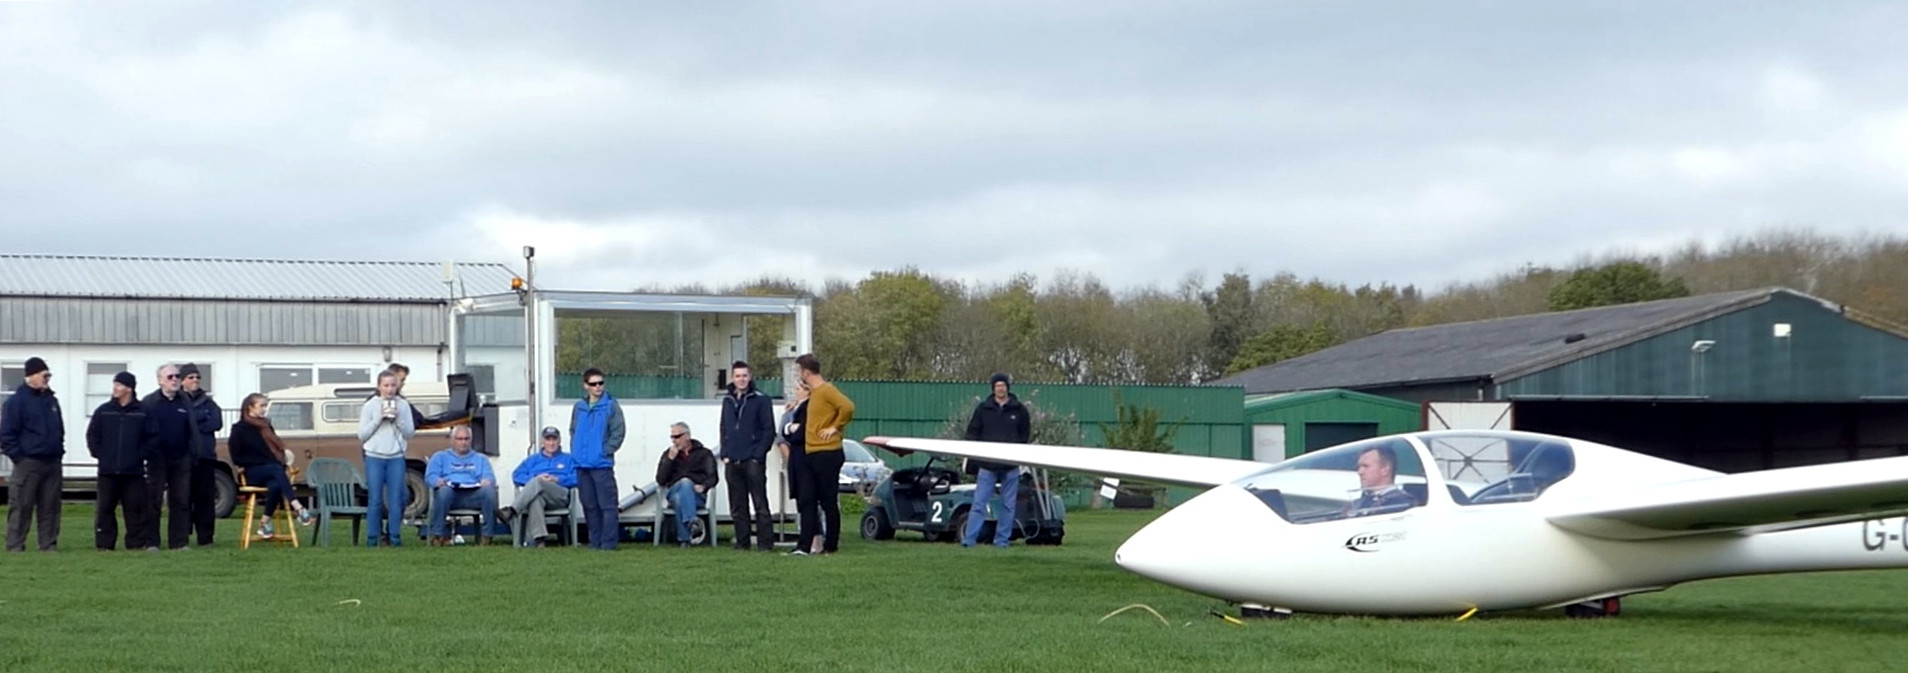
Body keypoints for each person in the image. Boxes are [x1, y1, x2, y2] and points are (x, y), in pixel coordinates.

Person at [229, 393, 315, 539]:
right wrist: (254, 461)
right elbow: (236, 455)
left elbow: (275, 449)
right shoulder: (239, 429)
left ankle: (264, 523)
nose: (264, 409)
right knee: (276, 469)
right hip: (253, 471)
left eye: (265, 406)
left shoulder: (266, 426)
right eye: (261, 406)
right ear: (250, 407)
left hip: (272, 469)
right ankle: (299, 508)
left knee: (276, 486)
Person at [87, 371, 156, 551]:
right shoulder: (103, 411)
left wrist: (139, 456)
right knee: (105, 510)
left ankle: (136, 543)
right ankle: (104, 544)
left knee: (135, 510)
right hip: (107, 471)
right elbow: (93, 435)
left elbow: (152, 438)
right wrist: (100, 454)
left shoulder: (143, 412)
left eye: (119, 385)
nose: (115, 388)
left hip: (133, 472)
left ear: (129, 388)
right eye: (115, 384)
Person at [962, 373, 1031, 548]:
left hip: (1010, 466)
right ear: (993, 388)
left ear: (1008, 387)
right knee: (979, 504)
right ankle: (969, 540)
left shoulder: (1019, 410)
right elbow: (973, 433)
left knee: (1008, 506)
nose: (1001, 388)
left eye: (1003, 385)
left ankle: (1002, 541)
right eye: (997, 385)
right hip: (987, 465)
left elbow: (1025, 435)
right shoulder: (983, 409)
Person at [2, 357, 64, 552]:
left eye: (48, 375)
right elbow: (6, 434)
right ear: (31, 376)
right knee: (21, 506)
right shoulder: (16, 402)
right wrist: (19, 457)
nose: (47, 379)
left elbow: (59, 429)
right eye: (44, 375)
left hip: (52, 462)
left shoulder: (52, 401)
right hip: (28, 462)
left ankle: (48, 545)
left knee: (50, 508)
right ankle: (15, 544)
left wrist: (58, 450)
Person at [795, 353, 854, 555]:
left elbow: (847, 407)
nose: (798, 375)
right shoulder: (813, 394)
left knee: (828, 500)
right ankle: (804, 546)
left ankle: (831, 545)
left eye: (798, 371)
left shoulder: (826, 390)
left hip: (827, 452)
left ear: (806, 371)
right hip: (811, 451)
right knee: (808, 499)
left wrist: (834, 427)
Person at [718, 360, 775, 551]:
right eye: (737, 376)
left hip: (753, 460)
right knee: (737, 506)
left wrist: (757, 455)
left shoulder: (761, 399)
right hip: (732, 460)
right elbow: (724, 428)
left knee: (760, 503)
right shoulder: (727, 400)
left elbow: (769, 431)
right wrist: (725, 453)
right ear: (732, 378)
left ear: (750, 377)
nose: (741, 379)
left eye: (744, 375)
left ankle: (765, 544)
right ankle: (742, 543)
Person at [141, 363, 196, 550]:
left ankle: (179, 542)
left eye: (177, 376)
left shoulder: (185, 401)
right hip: (157, 459)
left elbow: (192, 429)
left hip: (181, 458)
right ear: (160, 381)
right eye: (170, 377)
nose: (175, 380)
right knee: (153, 501)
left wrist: (193, 452)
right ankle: (151, 542)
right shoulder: (149, 402)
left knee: (181, 501)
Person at [358, 370, 415, 547]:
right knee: (375, 499)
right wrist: (378, 419)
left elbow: (410, 433)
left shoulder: (403, 405)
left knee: (396, 499)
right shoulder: (370, 406)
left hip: (396, 456)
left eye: (393, 385)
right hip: (374, 456)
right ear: (379, 387)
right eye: (386, 385)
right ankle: (372, 538)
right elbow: (362, 435)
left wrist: (398, 419)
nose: (390, 389)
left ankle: (394, 537)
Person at [570, 367, 624, 550]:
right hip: (581, 465)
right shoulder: (579, 407)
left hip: (601, 465)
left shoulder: (611, 406)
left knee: (607, 506)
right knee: (589, 506)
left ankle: (608, 544)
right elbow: (573, 430)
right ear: (586, 386)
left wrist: (605, 451)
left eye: (601, 383)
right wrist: (576, 452)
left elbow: (618, 432)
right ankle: (594, 542)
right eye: (593, 384)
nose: (598, 387)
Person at [423, 425, 497, 546]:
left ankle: (487, 536)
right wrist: (437, 481)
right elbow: (430, 476)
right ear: (452, 440)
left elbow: (490, 478)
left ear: (471, 440)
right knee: (444, 492)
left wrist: (487, 481)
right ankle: (436, 535)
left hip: (473, 495)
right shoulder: (440, 457)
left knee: (489, 492)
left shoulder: (481, 459)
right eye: (459, 439)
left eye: (466, 439)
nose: (463, 442)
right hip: (450, 495)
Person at [507, 426, 578, 547]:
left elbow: (578, 478)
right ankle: (540, 540)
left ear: (559, 441)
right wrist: (534, 479)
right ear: (542, 442)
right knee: (535, 498)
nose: (551, 443)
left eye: (554, 439)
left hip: (560, 495)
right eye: (548, 439)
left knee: (538, 482)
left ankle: (512, 511)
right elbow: (516, 475)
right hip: (540, 495)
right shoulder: (533, 460)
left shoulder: (568, 459)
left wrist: (557, 479)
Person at [179, 364, 223, 547]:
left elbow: (216, 422)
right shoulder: (177, 401)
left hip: (205, 457)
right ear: (182, 381)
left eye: (197, 377)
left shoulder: (209, 402)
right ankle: (181, 536)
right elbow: (179, 424)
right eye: (190, 377)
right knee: (182, 498)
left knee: (205, 499)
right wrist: (199, 419)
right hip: (183, 457)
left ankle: (206, 538)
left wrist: (194, 423)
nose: (195, 380)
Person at [656, 422, 718, 548]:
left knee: (681, 498)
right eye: (672, 437)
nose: (674, 441)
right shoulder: (669, 454)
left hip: (696, 495)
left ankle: (684, 540)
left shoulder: (704, 453)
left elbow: (713, 477)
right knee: (684, 482)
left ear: (687, 436)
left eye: (677, 436)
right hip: (674, 491)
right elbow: (660, 480)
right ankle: (692, 521)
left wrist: (704, 486)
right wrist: (669, 460)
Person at [775, 380, 820, 555]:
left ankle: (806, 544)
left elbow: (798, 434)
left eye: (800, 388)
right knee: (803, 502)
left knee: (808, 502)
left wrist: (791, 429)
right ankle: (811, 541)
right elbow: (784, 434)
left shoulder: (809, 409)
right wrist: (788, 428)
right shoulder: (795, 409)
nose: (796, 391)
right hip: (797, 461)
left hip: (805, 460)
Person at [1343, 445, 1414, 518]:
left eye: (1366, 466)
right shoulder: (1356, 504)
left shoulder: (1402, 502)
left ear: (1385, 469)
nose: (1360, 472)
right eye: (1359, 467)